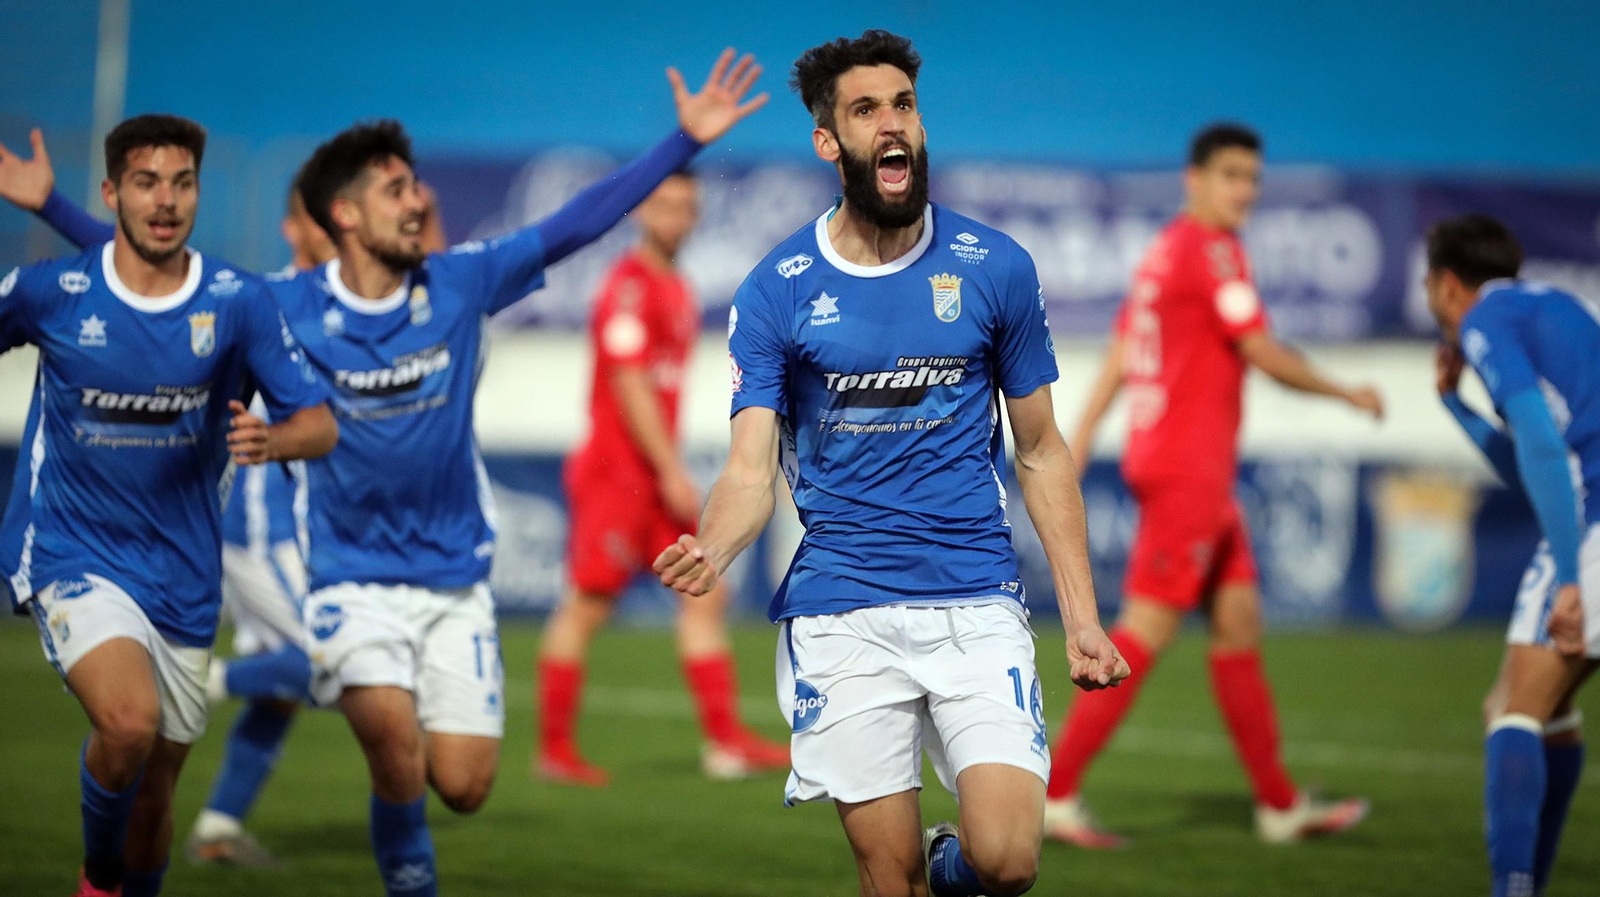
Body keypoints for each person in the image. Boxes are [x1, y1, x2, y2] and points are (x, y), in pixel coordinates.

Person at [653, 31, 1126, 897]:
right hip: (843, 609)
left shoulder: (996, 267)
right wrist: (714, 547)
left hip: (975, 595)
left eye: (904, 104)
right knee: (887, 876)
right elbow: (751, 471)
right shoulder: (778, 287)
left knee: (1008, 859)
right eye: (866, 110)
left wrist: (1083, 618)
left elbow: (1041, 449)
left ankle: (956, 864)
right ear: (828, 141)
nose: (892, 123)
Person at [0, 139, 439, 867]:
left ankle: (219, 821)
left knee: (188, 762)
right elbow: (139, 269)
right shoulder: (268, 294)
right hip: (243, 525)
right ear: (304, 226)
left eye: (181, 184)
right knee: (312, 663)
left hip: (211, 547)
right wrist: (52, 207)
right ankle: (215, 689)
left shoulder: (355, 302)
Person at [1041, 123, 1377, 848]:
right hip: (1187, 471)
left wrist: (1085, 431)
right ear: (1193, 179)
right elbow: (1258, 348)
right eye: (1231, 175)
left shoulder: (1163, 250)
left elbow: (1123, 349)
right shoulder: (1212, 250)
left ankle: (1278, 804)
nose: (1244, 191)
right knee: (1142, 630)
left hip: (1186, 470)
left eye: (1252, 178)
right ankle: (1054, 794)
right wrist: (1344, 392)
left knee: (1238, 624)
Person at [538, 169, 789, 786]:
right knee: (588, 603)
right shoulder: (627, 287)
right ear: (641, 213)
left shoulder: (676, 286)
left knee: (705, 590)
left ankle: (725, 741)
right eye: (664, 205)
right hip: (616, 473)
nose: (675, 217)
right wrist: (673, 468)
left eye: (686, 207)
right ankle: (554, 751)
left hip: (649, 475)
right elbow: (629, 384)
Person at [1425, 214, 1600, 897]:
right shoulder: (1557, 305)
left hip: (1594, 519)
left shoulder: (1484, 322)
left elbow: (1543, 445)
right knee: (1549, 709)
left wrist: (1567, 576)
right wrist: (1456, 405)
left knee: (1510, 708)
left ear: (1447, 285)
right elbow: (1533, 455)